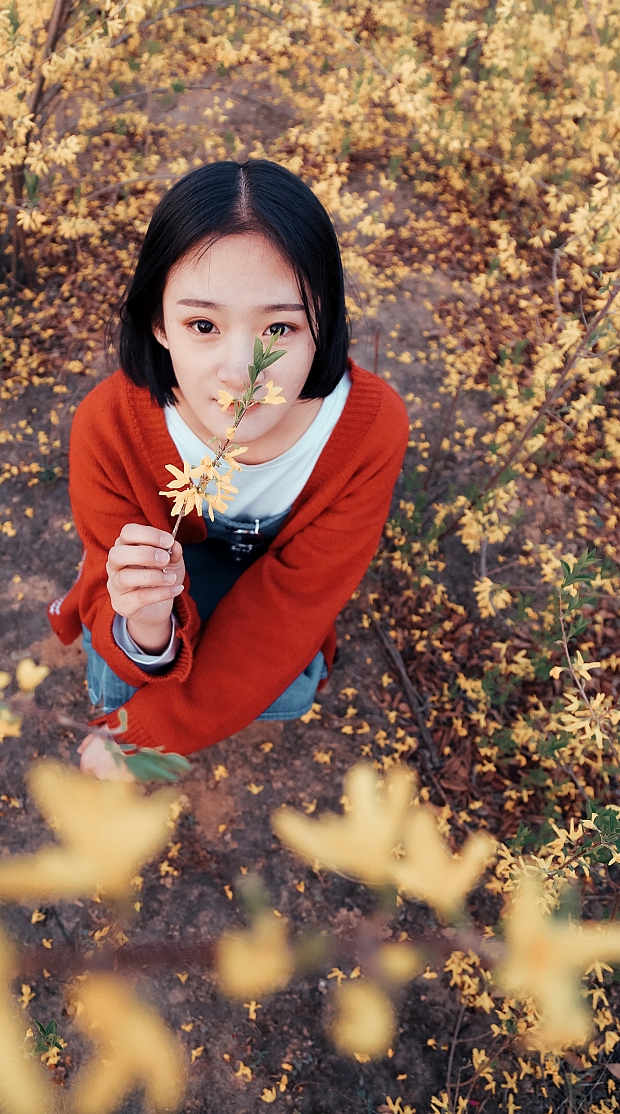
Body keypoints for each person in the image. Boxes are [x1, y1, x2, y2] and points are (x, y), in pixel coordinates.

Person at [47, 159, 409, 779]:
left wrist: (143, 738)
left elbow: (291, 607)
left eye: (280, 326)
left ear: (323, 322)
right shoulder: (109, 425)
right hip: (170, 590)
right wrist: (149, 626)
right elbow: (112, 585)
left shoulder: (369, 430)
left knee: (292, 688)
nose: (241, 375)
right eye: (204, 325)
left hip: (272, 590)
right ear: (158, 322)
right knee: (116, 675)